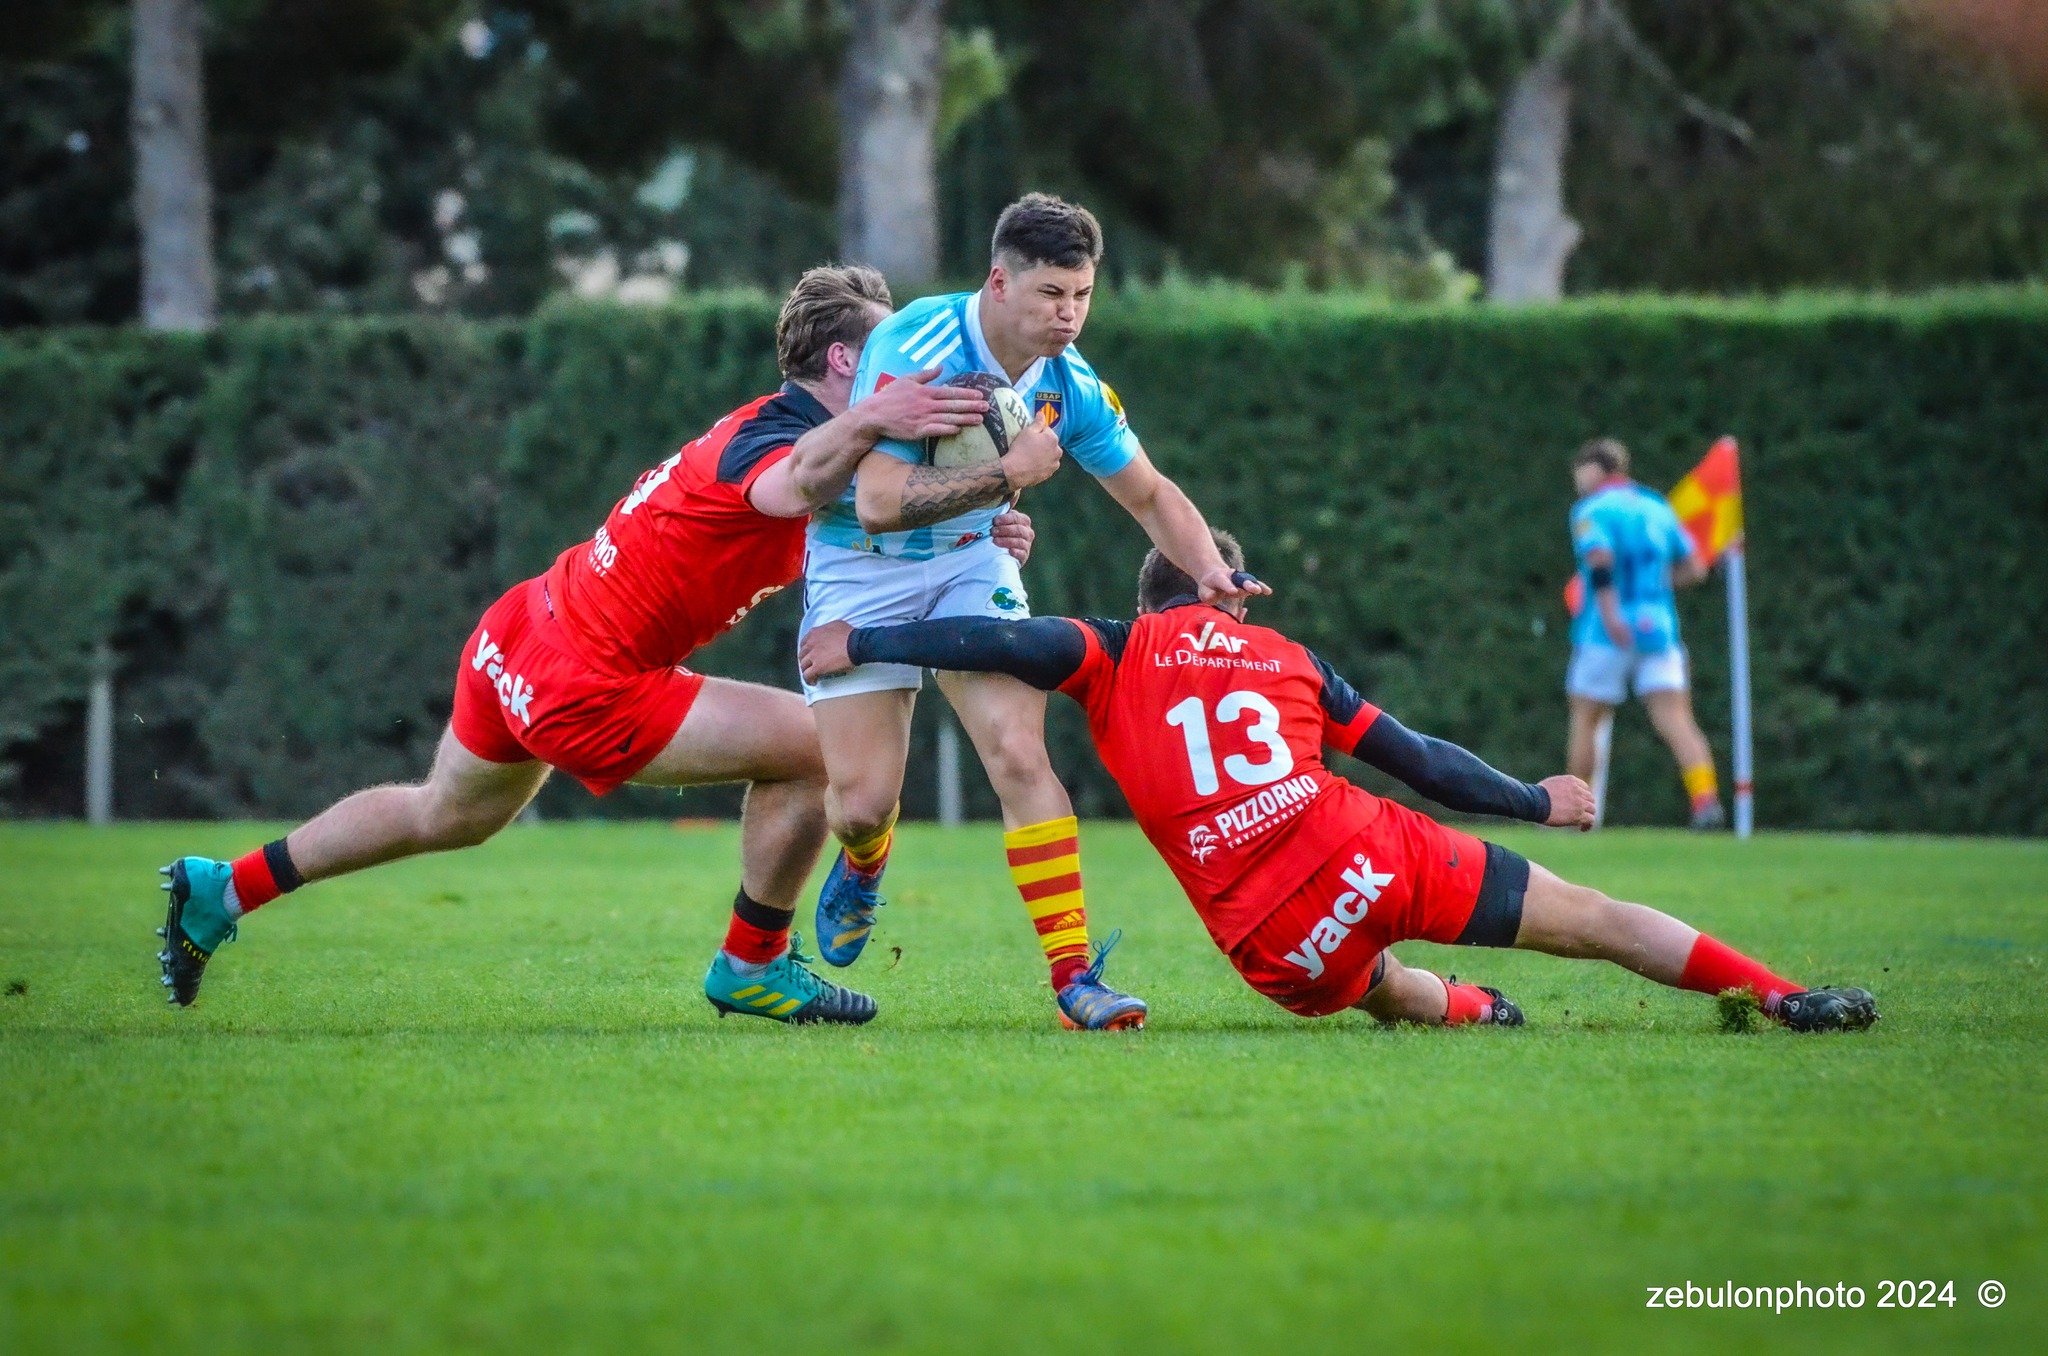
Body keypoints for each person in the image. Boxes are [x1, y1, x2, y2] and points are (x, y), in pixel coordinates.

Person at [155, 265, 1060, 1025]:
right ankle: (752, 963)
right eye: (889, 354)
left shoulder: (815, 439)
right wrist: (878, 420)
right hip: (589, 679)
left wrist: (982, 527)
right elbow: (800, 488)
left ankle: (224, 888)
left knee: (447, 814)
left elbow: (879, 527)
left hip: (525, 629)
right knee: (822, 754)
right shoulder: (778, 441)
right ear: (843, 361)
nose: (912, 365)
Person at [798, 530, 1878, 1033]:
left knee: (1371, 985)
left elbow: (998, 639)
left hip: (1269, 943)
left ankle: (1458, 1009)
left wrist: (866, 638)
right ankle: (1780, 994)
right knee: (1592, 919)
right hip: (1367, 851)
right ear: (1229, 591)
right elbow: (1416, 759)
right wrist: (1533, 798)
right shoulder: (1289, 659)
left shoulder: (1108, 651)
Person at [798, 192, 1267, 1032]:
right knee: (861, 803)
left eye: (1082, 295)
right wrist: (1008, 472)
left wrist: (1211, 575)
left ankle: (1073, 980)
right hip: (861, 572)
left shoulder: (1070, 384)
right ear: (999, 282)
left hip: (976, 562)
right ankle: (866, 859)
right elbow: (872, 501)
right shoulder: (916, 345)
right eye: (1052, 294)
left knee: (1019, 751)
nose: (1069, 315)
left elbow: (1151, 493)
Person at [1566, 438, 1724, 829]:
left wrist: (1612, 613)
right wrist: (1655, 587)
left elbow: (1599, 560)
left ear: (1595, 469)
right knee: (1676, 719)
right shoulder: (1657, 506)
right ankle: (1706, 803)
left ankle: (1573, 815)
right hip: (1660, 629)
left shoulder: (1592, 510)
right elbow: (1695, 569)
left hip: (1606, 631)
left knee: (1588, 718)